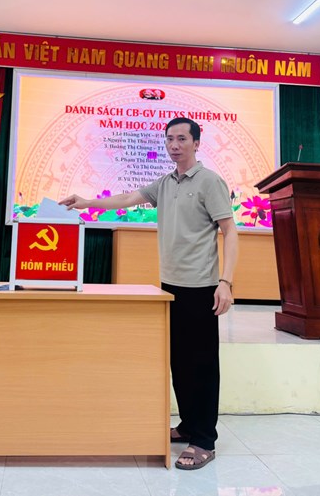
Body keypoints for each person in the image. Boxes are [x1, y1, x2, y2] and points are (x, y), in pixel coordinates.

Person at [60, 117, 238, 470]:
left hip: (201, 287)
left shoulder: (209, 181)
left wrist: (226, 282)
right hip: (170, 287)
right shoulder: (166, 182)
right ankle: (188, 425)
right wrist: (85, 202)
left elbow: (230, 231)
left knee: (202, 366)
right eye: (169, 139)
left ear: (196, 143)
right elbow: (128, 198)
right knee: (179, 362)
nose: (174, 145)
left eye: (182, 139)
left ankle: (204, 440)